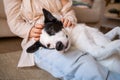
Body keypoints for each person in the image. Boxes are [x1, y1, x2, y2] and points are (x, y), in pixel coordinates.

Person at [3, 0, 120, 80]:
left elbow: (68, 11)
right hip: (40, 40)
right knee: (82, 62)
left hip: (64, 29)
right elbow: (14, 22)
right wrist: (30, 29)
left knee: (102, 51)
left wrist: (69, 19)